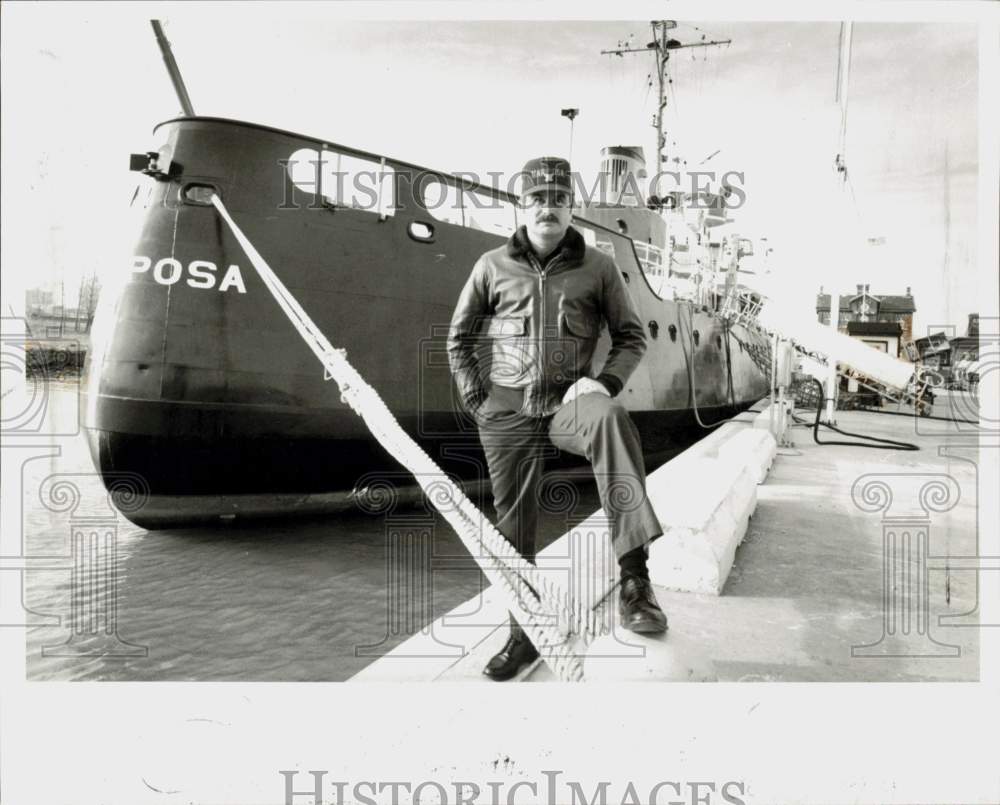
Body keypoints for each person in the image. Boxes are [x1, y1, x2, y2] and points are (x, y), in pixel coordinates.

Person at [447, 156, 668, 681]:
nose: (548, 208)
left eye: (558, 199)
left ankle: (635, 581)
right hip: (507, 407)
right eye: (538, 198)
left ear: (571, 208)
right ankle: (524, 633)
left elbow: (632, 335)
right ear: (522, 206)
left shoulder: (599, 267)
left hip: (571, 402)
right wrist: (479, 399)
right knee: (511, 524)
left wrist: (606, 382)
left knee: (611, 421)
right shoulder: (490, 266)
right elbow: (460, 338)